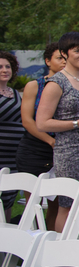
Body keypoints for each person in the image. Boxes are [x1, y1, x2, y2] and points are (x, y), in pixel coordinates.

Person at [35, 32, 79, 232]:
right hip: (70, 152)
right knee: (68, 205)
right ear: (64, 53)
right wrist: (78, 123)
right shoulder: (57, 83)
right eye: (77, 51)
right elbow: (42, 123)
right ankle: (64, 251)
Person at [16, 42, 66, 228]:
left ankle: (50, 241)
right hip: (34, 149)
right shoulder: (34, 85)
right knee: (33, 205)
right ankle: (27, 242)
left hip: (62, 150)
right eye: (59, 58)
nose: (64, 62)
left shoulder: (72, 86)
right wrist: (50, 141)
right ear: (47, 61)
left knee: (57, 204)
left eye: (66, 58)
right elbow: (27, 120)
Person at [0, 50, 25, 220]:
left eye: (8, 66)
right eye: (0, 67)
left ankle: (6, 232)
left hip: (14, 155)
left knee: (8, 198)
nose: (4, 70)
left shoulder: (15, 93)